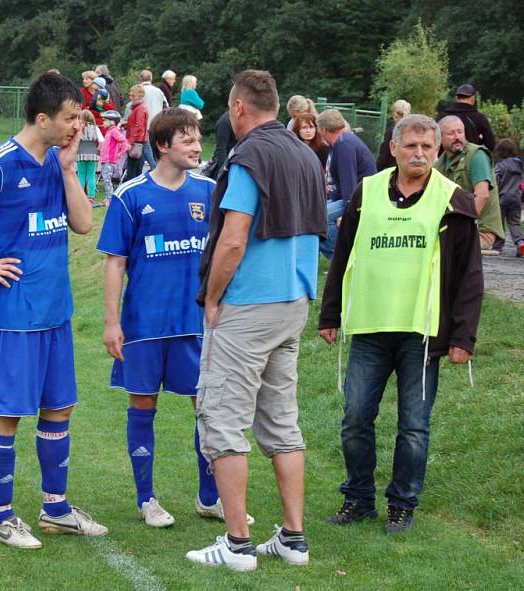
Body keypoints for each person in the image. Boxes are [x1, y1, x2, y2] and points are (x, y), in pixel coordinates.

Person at [0, 73, 107, 549]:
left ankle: (55, 509)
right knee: (8, 413)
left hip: (55, 310)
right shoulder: (0, 166)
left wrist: (70, 170)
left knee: (58, 407)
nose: (77, 126)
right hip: (13, 312)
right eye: (71, 118)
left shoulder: (56, 161)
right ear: (43, 117)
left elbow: (84, 223)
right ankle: (2, 516)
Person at [186, 70, 326, 571]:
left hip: (249, 304)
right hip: (294, 301)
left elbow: (234, 237)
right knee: (283, 422)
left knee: (222, 421)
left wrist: (212, 297)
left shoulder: (250, 156)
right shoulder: (305, 153)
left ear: (239, 108)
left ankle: (237, 543)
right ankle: (293, 537)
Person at [318, 114, 483, 534]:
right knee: (355, 417)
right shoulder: (366, 191)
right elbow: (342, 256)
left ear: (437, 150)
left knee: (413, 425)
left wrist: (463, 336)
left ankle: (402, 503)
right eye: (411, 145)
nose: (420, 153)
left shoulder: (453, 199)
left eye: (428, 147)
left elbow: (469, 276)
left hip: (422, 334)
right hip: (371, 327)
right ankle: (358, 499)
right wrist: (331, 312)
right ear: (393, 148)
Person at [99, 108, 249, 529]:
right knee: (143, 406)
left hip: (197, 325)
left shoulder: (209, 191)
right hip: (145, 325)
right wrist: (112, 323)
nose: (198, 146)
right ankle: (146, 499)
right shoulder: (130, 195)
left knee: (207, 410)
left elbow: (228, 251)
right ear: (163, 146)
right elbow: (114, 263)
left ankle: (209, 497)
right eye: (187, 140)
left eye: (198, 138)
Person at [435, 116, 505, 254]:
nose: (457, 137)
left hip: (479, 230)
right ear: (439, 138)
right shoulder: (440, 163)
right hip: (450, 228)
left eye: (460, 132)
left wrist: (464, 229)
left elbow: (483, 195)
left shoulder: (476, 155)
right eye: (451, 133)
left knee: (439, 245)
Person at [317, 108, 377, 259]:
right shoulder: (342, 142)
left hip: (361, 199)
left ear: (323, 130)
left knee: (315, 218)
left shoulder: (344, 146)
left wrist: (346, 214)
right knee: (315, 215)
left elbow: (349, 184)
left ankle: (340, 259)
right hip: (353, 197)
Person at [439, 84, 495, 151]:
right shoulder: (479, 118)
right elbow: (490, 144)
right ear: (473, 99)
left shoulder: (443, 117)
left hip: (447, 159)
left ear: (456, 98)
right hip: (472, 159)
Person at [492, 139, 524, 257]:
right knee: (514, 222)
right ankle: (520, 242)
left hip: (502, 199)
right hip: (516, 198)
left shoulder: (500, 166)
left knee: (499, 224)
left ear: (501, 152)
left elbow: (495, 182)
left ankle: (498, 247)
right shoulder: (521, 166)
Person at [140, 70, 169, 170]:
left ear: (140, 79)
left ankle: (153, 168)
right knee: (154, 148)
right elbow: (166, 107)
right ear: (151, 79)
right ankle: (156, 167)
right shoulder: (158, 91)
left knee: (143, 149)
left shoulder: (139, 90)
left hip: (142, 125)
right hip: (156, 124)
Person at [99, 110, 128, 203]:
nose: (103, 122)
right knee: (106, 179)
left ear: (112, 122)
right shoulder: (109, 131)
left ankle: (110, 199)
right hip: (105, 160)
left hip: (109, 160)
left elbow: (123, 141)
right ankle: (109, 197)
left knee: (107, 180)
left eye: (105, 120)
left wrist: (120, 153)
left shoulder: (114, 131)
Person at [77, 109, 104, 205]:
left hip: (80, 153)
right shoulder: (96, 128)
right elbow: (101, 140)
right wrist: (98, 148)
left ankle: (80, 196)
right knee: (91, 175)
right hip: (93, 153)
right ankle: (91, 197)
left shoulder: (79, 128)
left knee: (81, 175)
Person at [376, 99, 411, 170]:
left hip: (392, 171)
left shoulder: (392, 132)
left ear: (395, 115)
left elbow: (384, 156)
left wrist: (375, 170)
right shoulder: (414, 131)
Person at [125, 85, 149, 181]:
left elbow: (138, 126)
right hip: (139, 140)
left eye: (133, 96)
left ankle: (131, 190)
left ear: (139, 96)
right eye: (130, 95)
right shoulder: (138, 107)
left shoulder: (140, 108)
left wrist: (130, 142)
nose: (131, 97)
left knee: (132, 169)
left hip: (137, 142)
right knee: (137, 168)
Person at [204, 111, 237, 180]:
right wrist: (224, 171)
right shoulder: (225, 121)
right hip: (224, 164)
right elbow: (221, 149)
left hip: (235, 163)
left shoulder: (241, 118)